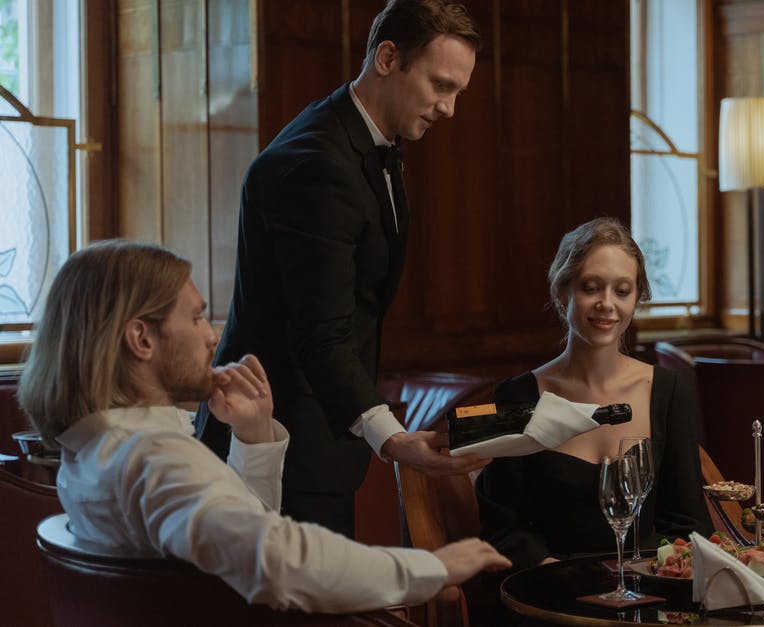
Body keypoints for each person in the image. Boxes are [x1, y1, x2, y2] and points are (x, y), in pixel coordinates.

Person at [17, 240, 510, 613]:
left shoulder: (94, 452)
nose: (212, 336)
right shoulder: (153, 457)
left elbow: (233, 544)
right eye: (195, 318)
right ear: (141, 340)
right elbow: (276, 561)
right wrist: (433, 566)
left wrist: (253, 437)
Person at [195, 0, 488, 538]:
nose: (449, 108)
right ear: (387, 57)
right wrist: (394, 439)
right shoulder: (317, 162)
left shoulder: (371, 140)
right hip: (278, 444)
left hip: (316, 440)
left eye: (458, 93)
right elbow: (321, 335)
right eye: (441, 85)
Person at [475, 218, 713, 572]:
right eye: (591, 287)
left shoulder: (668, 391)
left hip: (647, 591)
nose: (607, 304)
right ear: (562, 291)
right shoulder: (515, 396)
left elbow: (689, 524)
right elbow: (502, 529)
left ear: (637, 298)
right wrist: (557, 573)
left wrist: (650, 576)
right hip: (551, 589)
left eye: (622, 290)